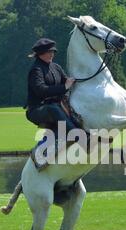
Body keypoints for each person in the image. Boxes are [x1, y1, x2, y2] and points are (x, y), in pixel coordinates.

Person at [25, 38, 79, 170]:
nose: (52, 54)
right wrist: (64, 87)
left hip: (56, 108)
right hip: (37, 110)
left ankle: (40, 152)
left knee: (62, 115)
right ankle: (76, 134)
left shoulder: (56, 67)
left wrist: (72, 81)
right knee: (53, 109)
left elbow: (66, 81)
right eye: (49, 52)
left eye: (53, 52)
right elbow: (41, 91)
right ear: (40, 53)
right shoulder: (36, 70)